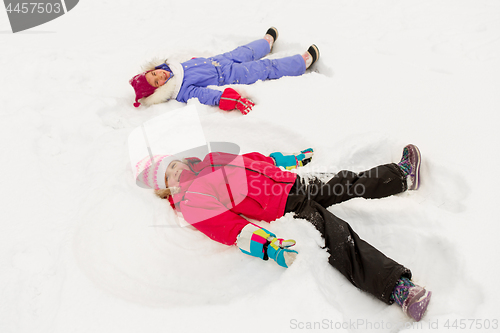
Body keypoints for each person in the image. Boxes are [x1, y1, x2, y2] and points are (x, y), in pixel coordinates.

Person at [135, 145, 431, 322]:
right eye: (169, 175)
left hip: (293, 182)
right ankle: (398, 288)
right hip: (288, 206)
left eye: (174, 165)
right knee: (339, 237)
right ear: (165, 190)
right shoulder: (191, 202)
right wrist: (269, 246)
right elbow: (231, 229)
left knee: (347, 182)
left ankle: (402, 177)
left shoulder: (211, 158)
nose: (176, 172)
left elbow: (254, 160)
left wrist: (290, 160)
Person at [129, 27, 320, 114]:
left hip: (219, 60)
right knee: (264, 68)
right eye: (156, 82)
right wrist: (228, 99)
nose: (159, 76)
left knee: (245, 51)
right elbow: (206, 95)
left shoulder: (173, 68)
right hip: (230, 75)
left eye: (154, 73)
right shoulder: (181, 91)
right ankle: (301, 63)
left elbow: (192, 65)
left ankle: (264, 44)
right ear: (159, 91)